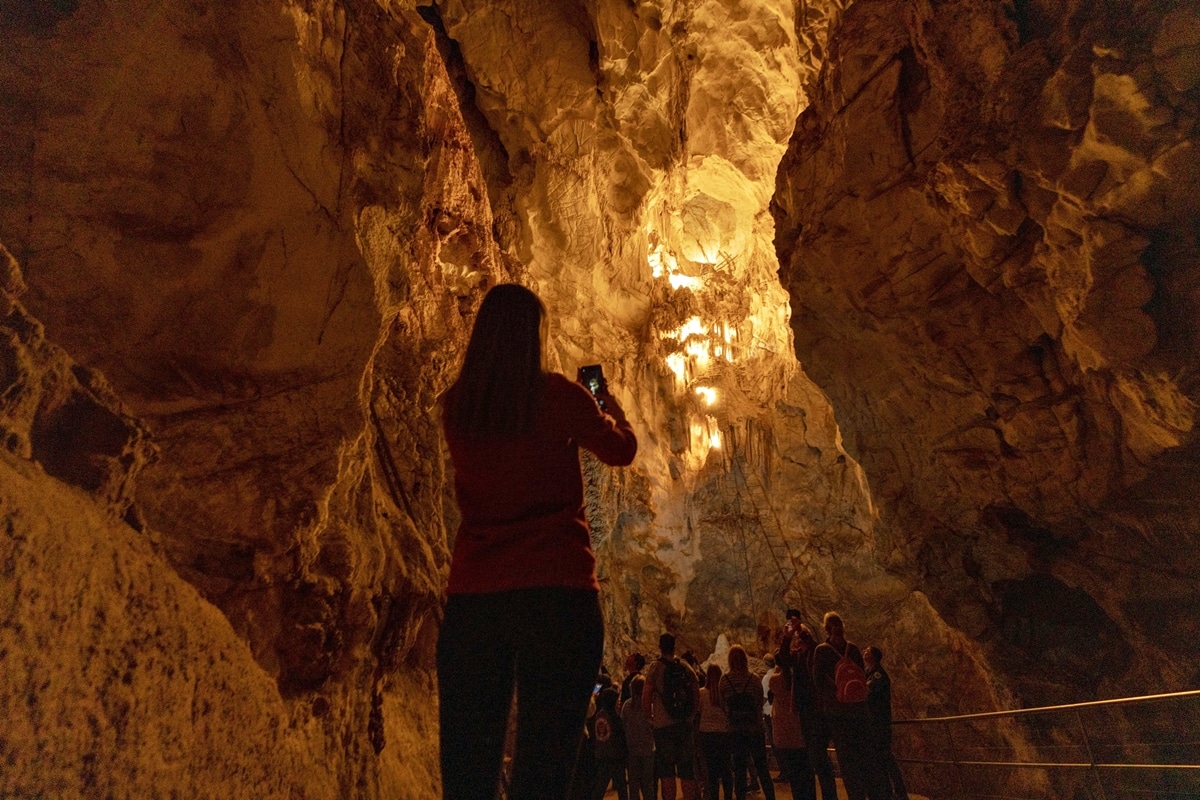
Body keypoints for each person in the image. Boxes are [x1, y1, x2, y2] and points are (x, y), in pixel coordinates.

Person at [437, 283, 638, 800]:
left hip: (476, 597)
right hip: (558, 591)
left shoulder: (458, 406)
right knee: (545, 764)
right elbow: (620, 450)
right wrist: (608, 405)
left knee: (469, 761)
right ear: (536, 337)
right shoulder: (557, 397)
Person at [812, 612, 889, 800]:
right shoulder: (853, 649)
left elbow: (817, 681)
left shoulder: (822, 650)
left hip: (838, 714)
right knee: (867, 759)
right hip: (860, 712)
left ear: (826, 628)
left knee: (848, 764)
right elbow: (861, 677)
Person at [784, 611, 837, 800]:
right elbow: (780, 657)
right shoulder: (798, 657)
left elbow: (811, 642)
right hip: (805, 712)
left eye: (799, 637)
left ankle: (830, 796)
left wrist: (798, 628)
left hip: (817, 711)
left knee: (819, 759)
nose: (796, 641)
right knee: (814, 758)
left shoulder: (815, 652)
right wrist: (787, 636)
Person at [642, 633, 701, 800]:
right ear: (674, 647)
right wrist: (691, 715)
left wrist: (650, 718)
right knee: (687, 771)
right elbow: (696, 691)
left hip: (663, 726)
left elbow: (646, 696)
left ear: (660, 647)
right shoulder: (684, 666)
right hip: (684, 724)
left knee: (667, 772)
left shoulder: (655, 668)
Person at [720, 645, 776, 800]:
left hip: (735, 730)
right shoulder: (754, 679)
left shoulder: (724, 680)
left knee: (739, 769)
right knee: (762, 767)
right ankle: (771, 796)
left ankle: (740, 797)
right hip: (754, 729)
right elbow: (759, 703)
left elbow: (722, 703)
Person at [770, 647, 816, 800]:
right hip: (801, 731)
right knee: (806, 773)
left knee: (795, 776)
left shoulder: (774, 680)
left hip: (784, 733)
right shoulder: (801, 679)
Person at [864, 647, 910, 800]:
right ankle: (889, 792)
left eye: (868, 651)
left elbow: (867, 691)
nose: (865, 652)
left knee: (885, 757)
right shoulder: (868, 673)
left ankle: (898, 792)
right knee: (881, 758)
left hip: (879, 723)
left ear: (875, 657)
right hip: (873, 723)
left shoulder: (878, 675)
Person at [699, 663, 734, 800]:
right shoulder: (724, 694)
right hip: (723, 734)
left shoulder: (701, 693)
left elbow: (698, 712)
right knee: (726, 770)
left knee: (712, 772)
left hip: (707, 735)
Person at [591, 683, 630, 800]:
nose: (618, 702)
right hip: (615, 756)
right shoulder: (614, 717)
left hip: (602, 755)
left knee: (600, 787)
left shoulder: (598, 715)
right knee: (622, 787)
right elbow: (621, 736)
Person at [622, 674, 657, 800]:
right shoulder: (649, 706)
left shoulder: (627, 706)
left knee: (633, 785)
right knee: (648, 784)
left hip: (632, 750)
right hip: (648, 749)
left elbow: (623, 725)